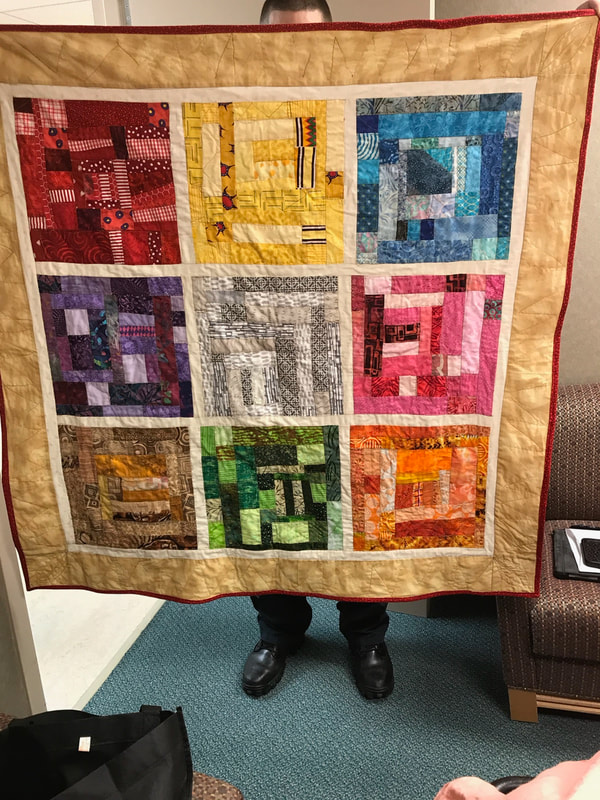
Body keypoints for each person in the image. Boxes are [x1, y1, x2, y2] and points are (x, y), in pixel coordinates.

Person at [241, 0, 394, 702]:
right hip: (264, 335)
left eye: (309, 42)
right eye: (279, 43)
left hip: (356, 340)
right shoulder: (233, 120)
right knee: (270, 481)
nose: (294, 57)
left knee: (361, 492)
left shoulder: (362, 119)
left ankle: (366, 635)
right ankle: (279, 629)